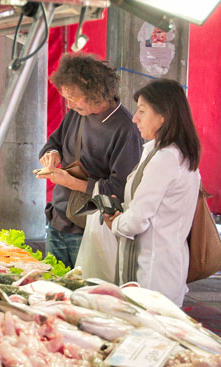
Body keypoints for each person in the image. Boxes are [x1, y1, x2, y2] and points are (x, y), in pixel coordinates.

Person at [38, 53, 142, 268]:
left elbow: (121, 187)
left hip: (91, 228)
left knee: (86, 292)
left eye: (73, 97)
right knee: (50, 290)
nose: (68, 105)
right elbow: (54, 142)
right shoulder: (77, 114)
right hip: (58, 219)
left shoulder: (125, 127)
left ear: (95, 90)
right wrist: (51, 154)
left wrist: (70, 182)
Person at [104, 79, 201, 306]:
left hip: (155, 271)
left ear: (163, 116)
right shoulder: (160, 151)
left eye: (142, 112)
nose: (134, 118)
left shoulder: (166, 158)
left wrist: (116, 223)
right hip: (162, 264)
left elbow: (138, 219)